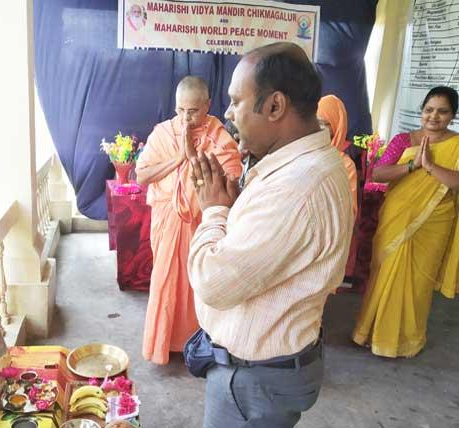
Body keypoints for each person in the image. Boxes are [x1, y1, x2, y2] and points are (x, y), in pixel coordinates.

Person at [187, 42, 354, 427]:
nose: (227, 115)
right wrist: (234, 206)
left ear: (275, 106)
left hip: (253, 382)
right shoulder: (299, 165)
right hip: (262, 373)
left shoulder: (297, 187)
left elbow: (214, 282)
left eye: (235, 101)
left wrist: (213, 210)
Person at [136, 76, 242, 365]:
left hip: (202, 223)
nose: (186, 118)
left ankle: (198, 343)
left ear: (207, 106)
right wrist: (180, 157)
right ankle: (164, 344)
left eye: (193, 111)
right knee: (166, 281)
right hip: (168, 220)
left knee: (199, 281)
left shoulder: (219, 136)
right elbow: (142, 175)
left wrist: (194, 155)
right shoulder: (163, 133)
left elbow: (231, 180)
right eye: (180, 110)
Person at [352, 86, 459, 358]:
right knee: (384, 272)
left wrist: (431, 166)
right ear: (421, 111)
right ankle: (371, 333)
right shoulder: (404, 140)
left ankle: (405, 340)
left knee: (417, 283)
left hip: (434, 222)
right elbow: (378, 173)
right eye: (429, 110)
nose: (434, 116)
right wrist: (413, 165)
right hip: (397, 215)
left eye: (442, 111)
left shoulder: (457, 145)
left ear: (452, 115)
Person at [317, 95, 359, 281]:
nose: (316, 129)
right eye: (313, 122)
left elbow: (348, 210)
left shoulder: (345, 165)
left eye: (324, 124)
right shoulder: (301, 154)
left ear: (335, 127)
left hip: (325, 239)